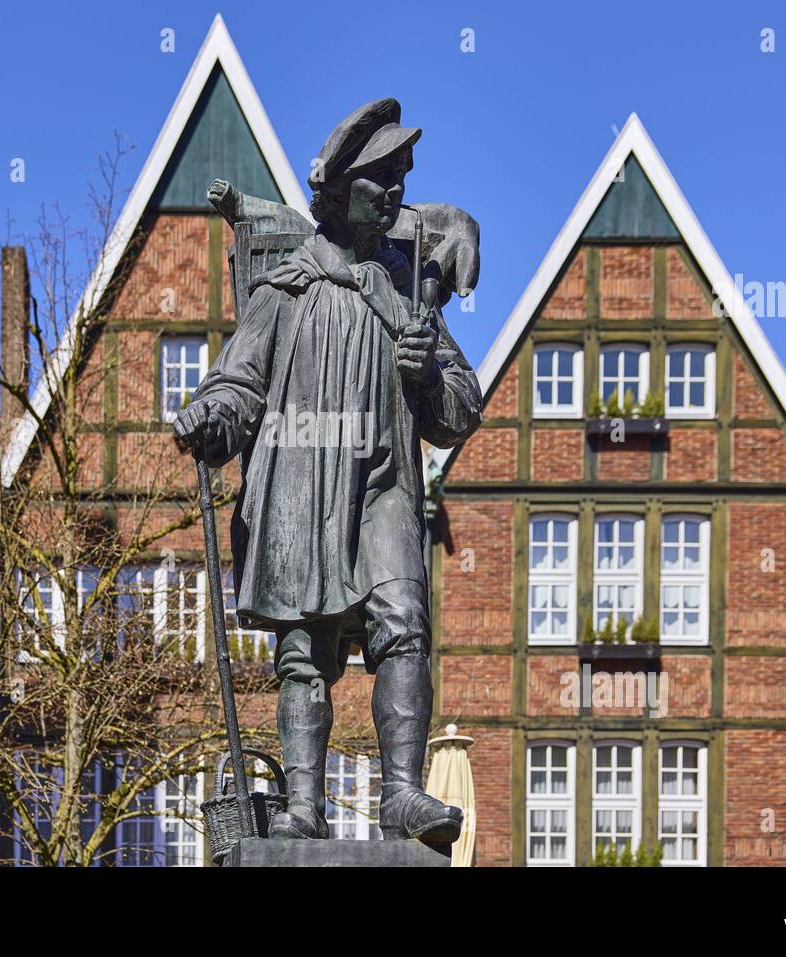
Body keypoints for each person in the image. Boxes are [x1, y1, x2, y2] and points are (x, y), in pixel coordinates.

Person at [174, 98, 482, 843]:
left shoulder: (410, 294)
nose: (397, 194)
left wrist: (426, 380)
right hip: (301, 494)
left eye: (403, 179)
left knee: (403, 623)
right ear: (340, 193)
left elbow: (460, 407)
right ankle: (304, 805)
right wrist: (213, 419)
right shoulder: (286, 290)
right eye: (381, 182)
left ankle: (403, 793)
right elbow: (238, 383)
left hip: (382, 491)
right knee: (304, 651)